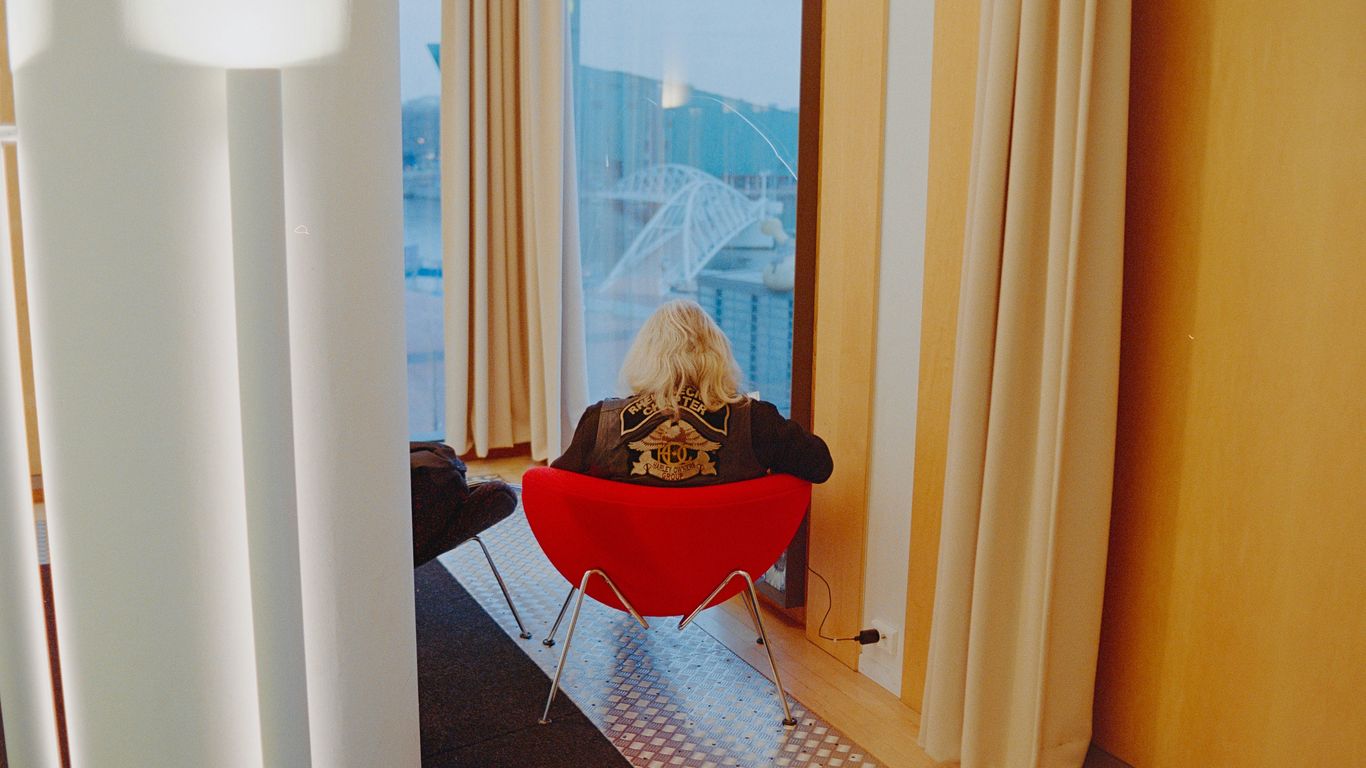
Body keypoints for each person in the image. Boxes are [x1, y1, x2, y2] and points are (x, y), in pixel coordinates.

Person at [552, 299, 832, 485]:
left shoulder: (601, 423)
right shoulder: (756, 422)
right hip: (728, 561)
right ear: (717, 353)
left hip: (624, 564)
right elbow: (820, 466)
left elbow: (555, 490)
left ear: (644, 357)